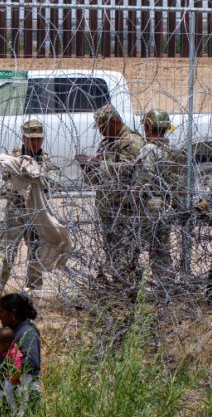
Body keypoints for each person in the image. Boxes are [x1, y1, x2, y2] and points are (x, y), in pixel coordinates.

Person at [80, 104, 144, 289]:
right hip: (107, 207)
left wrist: (97, 165)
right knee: (112, 252)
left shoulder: (131, 142)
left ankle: (127, 288)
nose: (100, 131)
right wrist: (88, 168)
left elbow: (126, 173)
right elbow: (96, 179)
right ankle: (119, 286)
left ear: (115, 122)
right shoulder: (107, 142)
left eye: (103, 127)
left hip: (125, 209)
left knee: (126, 252)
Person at [0, 119, 50, 290]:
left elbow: (53, 184)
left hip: (37, 213)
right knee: (4, 253)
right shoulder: (11, 160)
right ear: (24, 138)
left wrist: (41, 184)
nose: (35, 143)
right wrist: (18, 188)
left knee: (37, 253)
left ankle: (32, 292)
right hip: (15, 212)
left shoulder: (45, 161)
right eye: (32, 139)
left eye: (38, 139)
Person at [132, 109, 182, 281]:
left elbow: (144, 178)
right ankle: (165, 281)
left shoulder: (149, 149)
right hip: (166, 205)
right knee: (160, 247)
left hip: (151, 205)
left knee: (150, 248)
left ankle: (163, 284)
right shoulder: (170, 151)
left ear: (147, 127)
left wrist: (132, 194)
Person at [0, 293, 41, 404]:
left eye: (2, 311)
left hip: (21, 398)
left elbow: (30, 363)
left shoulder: (27, 333)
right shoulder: (15, 332)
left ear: (13, 313)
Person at [0, 326, 29, 417]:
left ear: (7, 344)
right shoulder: (4, 350)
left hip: (12, 381)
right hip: (5, 379)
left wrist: (14, 377)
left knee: (18, 395)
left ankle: (21, 411)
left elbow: (17, 367)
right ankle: (13, 410)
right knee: (8, 396)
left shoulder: (13, 352)